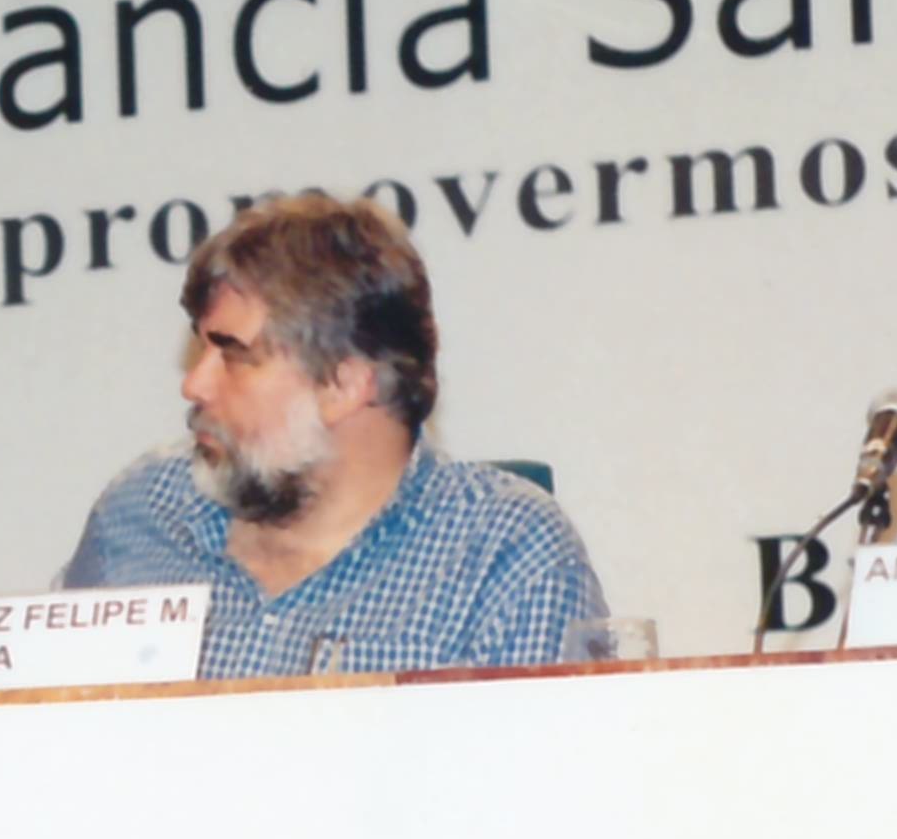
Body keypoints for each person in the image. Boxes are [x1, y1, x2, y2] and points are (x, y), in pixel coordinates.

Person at [58, 189, 604, 674]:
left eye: (234, 354)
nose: (194, 384)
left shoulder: (506, 557)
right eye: (201, 348)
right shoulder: (141, 514)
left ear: (344, 384)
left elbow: (549, 758)